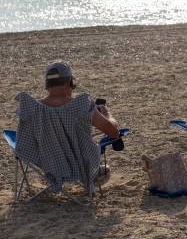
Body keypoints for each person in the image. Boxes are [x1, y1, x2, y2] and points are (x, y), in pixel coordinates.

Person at [15, 62, 120, 193]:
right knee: (104, 168)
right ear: (69, 82)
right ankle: (91, 178)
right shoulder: (81, 105)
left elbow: (22, 143)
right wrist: (107, 114)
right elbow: (113, 132)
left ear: (47, 85)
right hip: (82, 167)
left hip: (48, 165)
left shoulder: (32, 108)